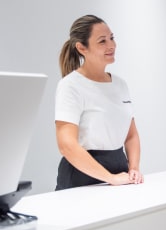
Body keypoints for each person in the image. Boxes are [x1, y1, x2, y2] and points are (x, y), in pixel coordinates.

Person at [55, 15, 144, 190]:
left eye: (112, 38)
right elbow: (67, 145)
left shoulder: (120, 84)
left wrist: (133, 168)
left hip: (119, 170)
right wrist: (109, 178)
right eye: (102, 41)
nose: (111, 45)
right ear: (81, 48)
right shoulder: (70, 86)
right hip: (82, 176)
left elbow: (131, 135)